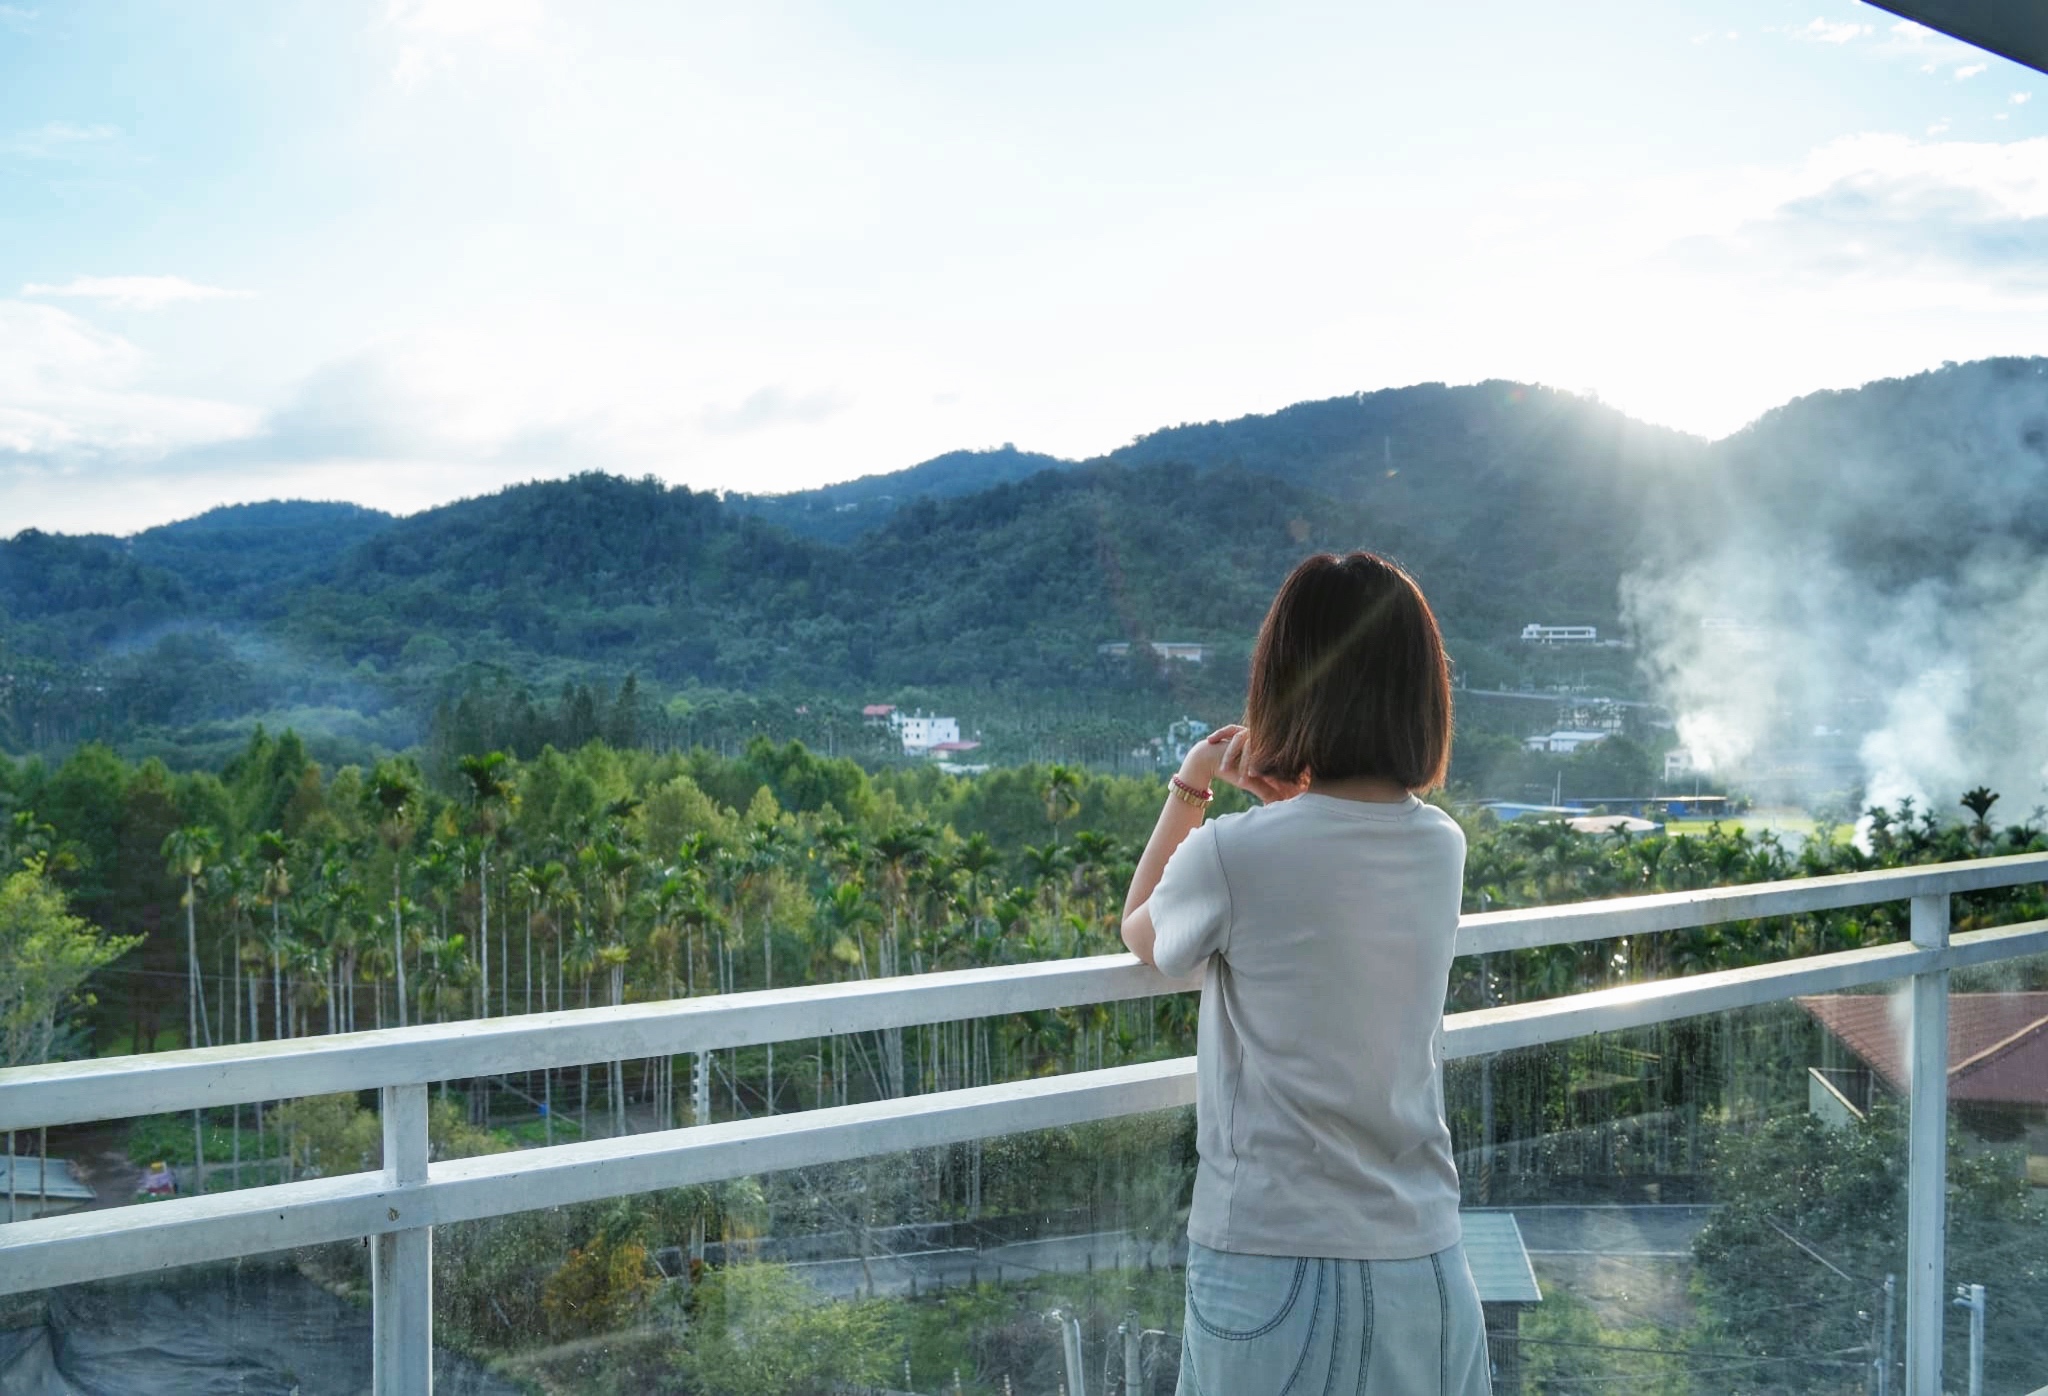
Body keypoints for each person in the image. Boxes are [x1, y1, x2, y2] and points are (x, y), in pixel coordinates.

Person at [1121, 551, 1488, 1396]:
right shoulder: (1443, 845)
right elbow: (1331, 871)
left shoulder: (1233, 855)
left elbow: (1143, 931)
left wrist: (1195, 782)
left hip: (1270, 1260)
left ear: (1284, 685)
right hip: (1424, 1262)